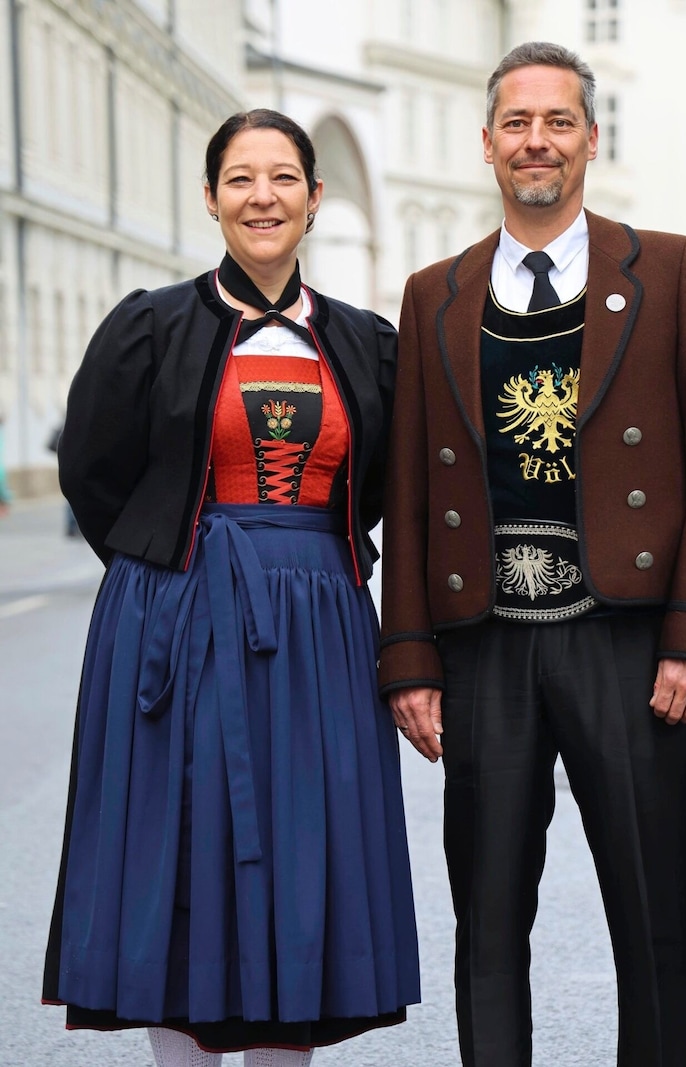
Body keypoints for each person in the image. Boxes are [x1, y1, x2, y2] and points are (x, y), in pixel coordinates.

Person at [379, 41, 686, 1067]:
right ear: (488, 143)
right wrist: (408, 657)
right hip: (485, 649)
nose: (534, 140)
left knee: (652, 921)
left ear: (588, 137)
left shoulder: (666, 268)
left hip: (627, 649)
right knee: (486, 932)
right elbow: (408, 490)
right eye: (515, 122)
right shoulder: (433, 293)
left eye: (555, 121)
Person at [42, 108, 420, 1067]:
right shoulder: (150, 327)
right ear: (211, 198)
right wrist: (164, 579)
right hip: (177, 612)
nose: (264, 196)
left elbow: (384, 489)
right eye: (242, 179)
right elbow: (93, 469)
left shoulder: (366, 342)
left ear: (315, 198)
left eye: (284, 178)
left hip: (322, 627)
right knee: (180, 846)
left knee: (304, 850)